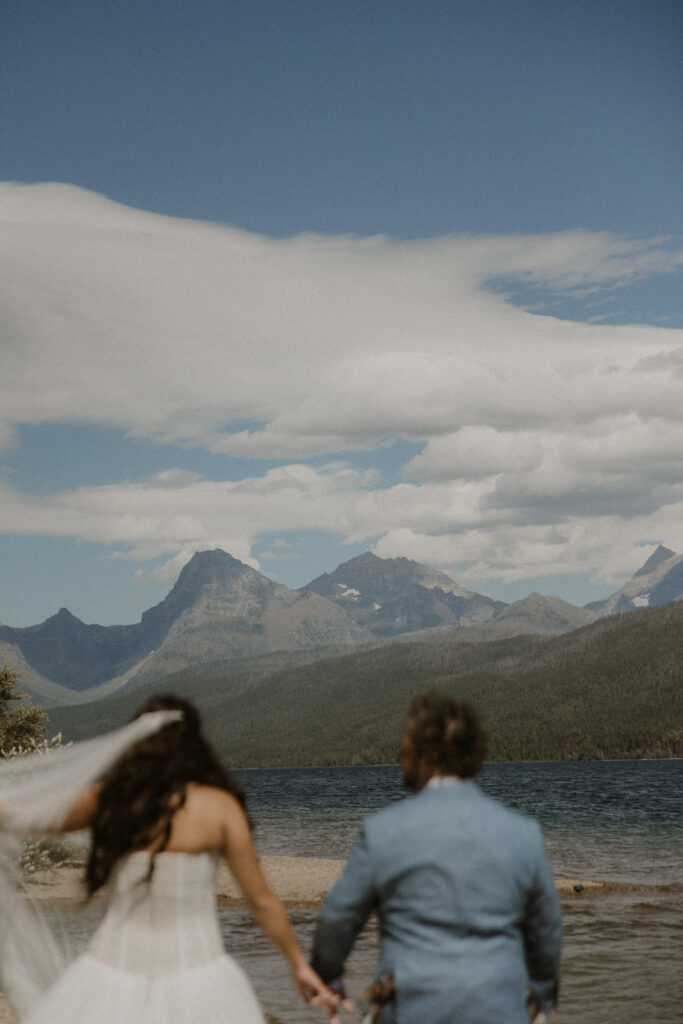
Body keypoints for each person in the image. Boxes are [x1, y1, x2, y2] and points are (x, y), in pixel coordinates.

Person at [0, 694, 340, 1024]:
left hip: (108, 974)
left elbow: (23, 820)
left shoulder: (111, 799)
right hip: (199, 975)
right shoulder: (219, 807)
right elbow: (262, 900)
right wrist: (299, 965)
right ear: (194, 747)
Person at [311, 690, 562, 1024]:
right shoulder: (523, 833)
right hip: (501, 1009)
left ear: (426, 757)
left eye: (406, 748)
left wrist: (329, 980)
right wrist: (539, 998)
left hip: (409, 1009)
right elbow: (547, 930)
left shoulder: (383, 831)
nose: (402, 757)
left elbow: (337, 918)